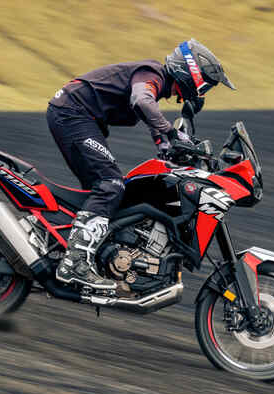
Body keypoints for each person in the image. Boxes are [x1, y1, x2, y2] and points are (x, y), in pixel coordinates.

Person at [46, 39, 236, 290]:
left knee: (104, 195)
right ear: (192, 74)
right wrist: (170, 133)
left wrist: (168, 145)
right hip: (73, 114)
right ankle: (74, 263)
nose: (202, 93)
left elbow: (151, 119)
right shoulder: (152, 75)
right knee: (111, 185)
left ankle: (66, 248)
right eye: (204, 86)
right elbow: (142, 101)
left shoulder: (155, 82)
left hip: (77, 117)